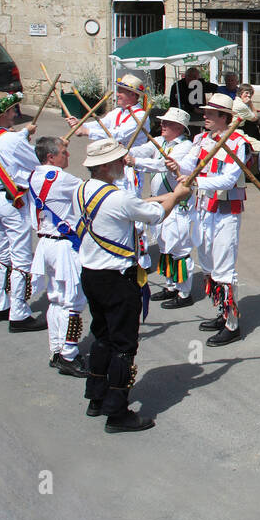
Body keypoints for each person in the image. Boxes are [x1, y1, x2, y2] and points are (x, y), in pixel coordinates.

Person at [76, 138, 192, 432]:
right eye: (116, 160)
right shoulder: (119, 197)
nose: (121, 163)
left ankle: (96, 397)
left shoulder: (83, 189)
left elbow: (134, 206)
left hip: (91, 273)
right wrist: (177, 195)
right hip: (116, 278)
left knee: (101, 335)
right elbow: (154, 215)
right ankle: (117, 412)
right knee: (124, 345)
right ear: (104, 166)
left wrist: (160, 198)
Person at [169, 93, 251, 346]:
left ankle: (232, 324)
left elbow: (228, 179)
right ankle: (222, 311)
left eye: (210, 114)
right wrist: (176, 166)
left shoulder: (239, 143)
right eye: (205, 113)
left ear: (225, 118)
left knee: (224, 267)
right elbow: (188, 166)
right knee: (207, 263)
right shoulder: (201, 138)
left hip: (226, 210)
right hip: (202, 208)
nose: (204, 116)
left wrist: (195, 180)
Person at [0, 91, 46, 332]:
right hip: (12, 201)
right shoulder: (10, 140)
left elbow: (6, 146)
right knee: (21, 257)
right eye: (11, 111)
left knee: (3, 254)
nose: (15, 114)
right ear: (2, 114)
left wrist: (23, 134)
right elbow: (35, 163)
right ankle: (18, 312)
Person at [27, 136, 89, 377]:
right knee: (73, 301)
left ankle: (56, 350)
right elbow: (89, 191)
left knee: (55, 299)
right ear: (50, 157)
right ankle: (69, 354)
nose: (68, 155)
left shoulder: (34, 176)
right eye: (64, 151)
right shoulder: (62, 179)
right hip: (64, 246)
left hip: (45, 243)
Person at [130, 108, 197, 310]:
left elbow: (161, 165)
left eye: (167, 123)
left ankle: (184, 292)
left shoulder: (185, 146)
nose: (163, 126)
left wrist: (136, 162)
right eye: (163, 122)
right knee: (163, 245)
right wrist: (125, 151)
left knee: (179, 247)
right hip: (160, 202)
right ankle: (170, 285)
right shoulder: (160, 141)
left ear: (179, 127)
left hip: (178, 204)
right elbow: (140, 151)